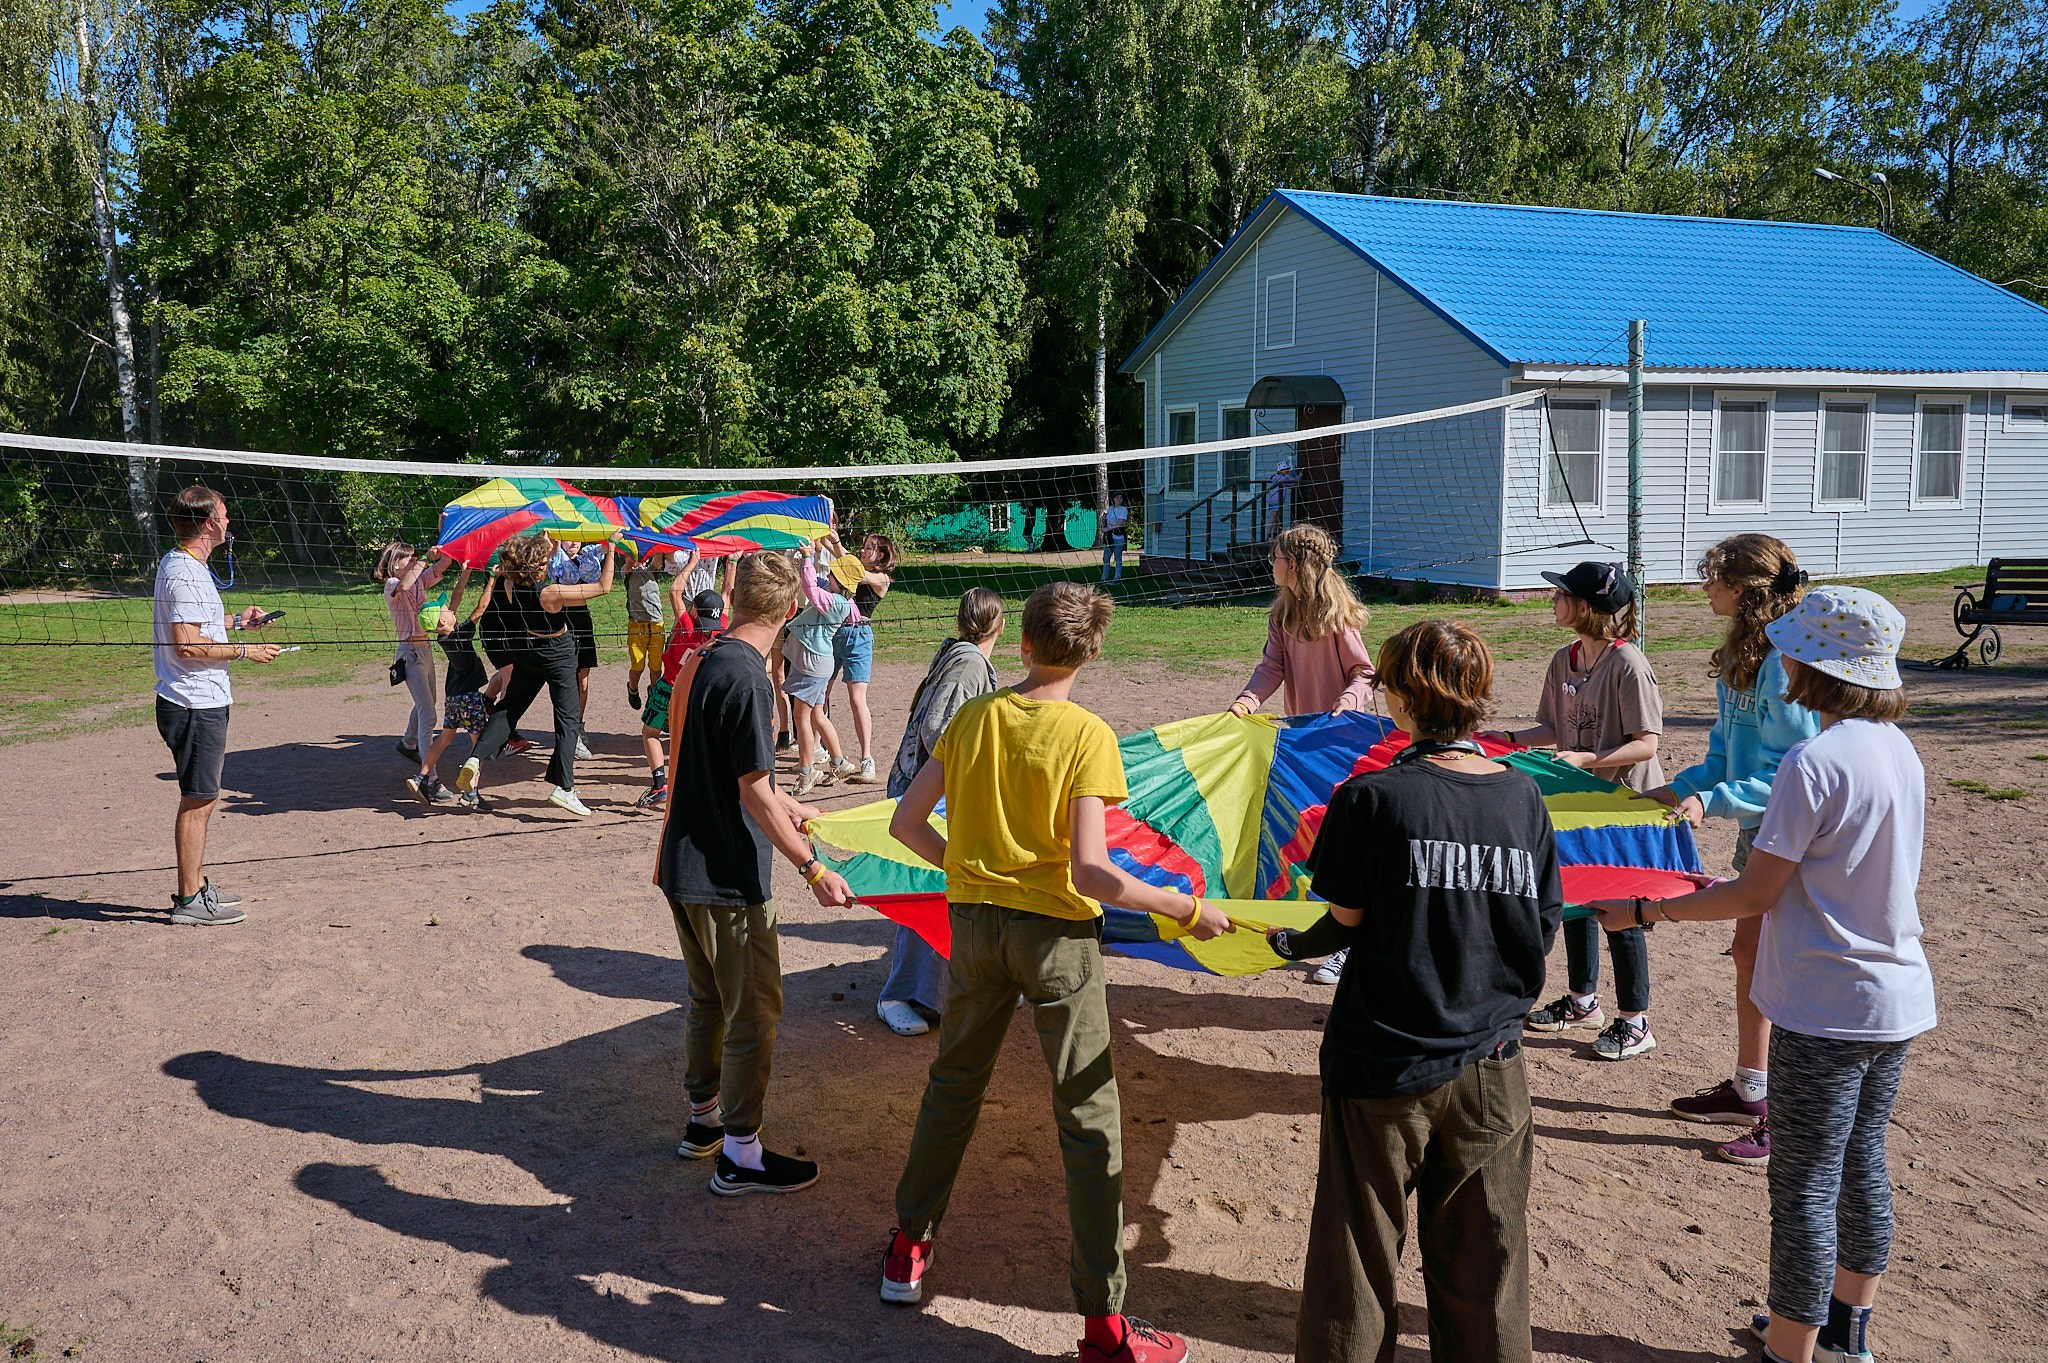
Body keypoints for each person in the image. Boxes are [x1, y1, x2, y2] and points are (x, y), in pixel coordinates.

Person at [879, 581, 1233, 1363]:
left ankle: (908, 1247)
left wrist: (967, 873)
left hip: (973, 930)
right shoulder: (1087, 733)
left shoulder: (974, 717)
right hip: (1058, 940)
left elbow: (907, 821)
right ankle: (1104, 1327)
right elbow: (1094, 872)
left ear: (1026, 643)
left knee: (952, 1084)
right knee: (1088, 1116)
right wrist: (1184, 908)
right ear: (1091, 651)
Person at [1592, 587, 1930, 1363]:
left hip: (1825, 1003)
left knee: (1804, 1185)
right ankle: (1847, 1334)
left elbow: (1754, 892)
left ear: (1812, 663)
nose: (1778, 659)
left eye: (1789, 647)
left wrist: (1647, 913)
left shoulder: (1814, 762)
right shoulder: (1898, 748)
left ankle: (1790, 1348)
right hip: (1895, 1000)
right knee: (1860, 1165)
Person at [1267, 619, 1562, 1363]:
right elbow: (1543, 919)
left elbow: (1342, 922)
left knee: (1356, 1261)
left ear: (1402, 698)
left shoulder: (1372, 797)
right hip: (1494, 1065)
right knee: (1488, 1265)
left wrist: (1284, 943)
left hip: (1381, 1065)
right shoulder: (1523, 798)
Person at [653, 552, 853, 1195]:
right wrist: (812, 865)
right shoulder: (747, 678)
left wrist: (786, 802)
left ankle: (703, 1122)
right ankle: (741, 1154)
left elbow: (718, 769)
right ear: (791, 611)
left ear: (734, 598)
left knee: (710, 1001)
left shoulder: (704, 659)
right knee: (755, 1012)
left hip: (683, 864)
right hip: (724, 874)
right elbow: (754, 795)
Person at [1639, 533, 1819, 1166]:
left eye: (1713, 578)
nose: (1704, 588)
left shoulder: (1785, 663)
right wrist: (1676, 789)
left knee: (1782, 971)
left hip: (1796, 835)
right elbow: (1723, 755)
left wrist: (1709, 803)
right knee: (1748, 953)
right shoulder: (1742, 657)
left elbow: (1788, 774)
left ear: (1745, 589)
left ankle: (1786, 1118)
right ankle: (1750, 1089)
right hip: (1757, 830)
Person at [1493, 561, 1665, 1062]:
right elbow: (1551, 729)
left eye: (1562, 594)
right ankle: (1583, 999)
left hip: (1625, 807)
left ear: (1586, 608)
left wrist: (1588, 758)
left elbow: (1647, 745)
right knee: (1575, 897)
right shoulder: (1562, 659)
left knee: (1620, 912)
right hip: (1576, 802)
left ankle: (1636, 1022)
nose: (1553, 600)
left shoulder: (1628, 663)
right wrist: (1503, 740)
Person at [1230, 522, 1376, 986]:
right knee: (1311, 837)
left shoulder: (1337, 616)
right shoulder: (1283, 614)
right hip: (1303, 744)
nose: (1269, 563)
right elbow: (1271, 667)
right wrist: (1246, 701)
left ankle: (1345, 946)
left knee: (1345, 846)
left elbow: (1365, 673)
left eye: (1275, 557)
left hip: (1341, 743)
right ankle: (1320, 930)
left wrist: (1347, 702)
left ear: (1292, 565)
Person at [874, 587, 1005, 1036]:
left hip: (938, 795)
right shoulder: (968, 662)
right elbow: (937, 731)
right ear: (1000, 626)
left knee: (955, 891)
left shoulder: (963, 655)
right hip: (930, 799)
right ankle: (899, 995)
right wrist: (963, 781)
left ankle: (943, 991)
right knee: (931, 889)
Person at [152, 485, 280, 925]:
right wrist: (246, 652)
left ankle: (197, 885)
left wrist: (237, 623)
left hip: (200, 699)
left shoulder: (187, 566)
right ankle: (188, 900)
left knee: (203, 798)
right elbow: (186, 644)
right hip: (192, 702)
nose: (229, 522)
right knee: (199, 800)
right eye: (224, 515)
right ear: (208, 524)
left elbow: (196, 624)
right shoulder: (184, 573)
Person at [461, 531, 616, 816]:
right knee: (567, 720)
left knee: (509, 709)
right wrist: (613, 546)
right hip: (557, 655)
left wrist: (543, 541)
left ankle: (474, 759)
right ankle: (564, 788)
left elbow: (530, 559)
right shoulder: (550, 593)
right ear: (539, 565)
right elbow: (604, 586)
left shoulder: (508, 583)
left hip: (528, 651)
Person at [408, 562, 513, 811]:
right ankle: (471, 793)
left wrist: (465, 572)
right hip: (468, 698)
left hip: (453, 697)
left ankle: (421, 777)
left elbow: (455, 598)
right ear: (444, 619)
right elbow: (481, 608)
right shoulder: (461, 633)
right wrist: (492, 579)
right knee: (478, 746)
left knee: (445, 738)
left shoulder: (445, 634)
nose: (451, 608)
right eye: (446, 609)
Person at [636, 590, 727, 810]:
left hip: (668, 689)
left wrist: (691, 562)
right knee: (687, 739)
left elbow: (675, 590)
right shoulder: (720, 630)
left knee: (650, 733)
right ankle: (699, 786)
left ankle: (660, 784)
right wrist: (731, 561)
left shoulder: (687, 626)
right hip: (694, 692)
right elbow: (726, 593)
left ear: (694, 610)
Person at [785, 538, 864, 796]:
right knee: (817, 716)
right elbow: (812, 582)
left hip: (812, 664)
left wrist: (808, 557)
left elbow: (810, 588)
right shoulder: (839, 598)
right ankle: (839, 762)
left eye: (832, 574)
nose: (827, 575)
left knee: (802, 718)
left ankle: (807, 773)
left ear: (841, 583)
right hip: (817, 664)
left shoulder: (834, 602)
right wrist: (801, 563)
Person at [375, 541, 450, 767]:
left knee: (429, 703)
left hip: (425, 648)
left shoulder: (417, 579)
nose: (415, 559)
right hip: (410, 653)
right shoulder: (392, 584)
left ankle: (408, 743)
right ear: (396, 564)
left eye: (416, 556)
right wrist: (427, 557)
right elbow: (404, 587)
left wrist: (446, 538)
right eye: (410, 557)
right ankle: (430, 776)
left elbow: (444, 563)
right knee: (428, 713)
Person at [828, 533, 895, 783]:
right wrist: (828, 537)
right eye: (863, 546)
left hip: (859, 636)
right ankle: (820, 751)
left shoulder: (881, 579)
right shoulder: (853, 565)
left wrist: (834, 544)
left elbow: (854, 570)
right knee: (818, 694)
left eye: (870, 548)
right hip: (833, 631)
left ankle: (867, 758)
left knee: (857, 699)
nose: (864, 551)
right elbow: (845, 560)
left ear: (881, 554)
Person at [549, 538, 606, 760]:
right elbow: (549, 548)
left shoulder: (588, 555)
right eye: (567, 537)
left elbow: (608, 543)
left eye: (577, 537)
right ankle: (567, 733)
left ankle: (577, 727)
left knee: (582, 679)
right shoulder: (555, 557)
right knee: (564, 680)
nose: (573, 542)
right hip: (561, 620)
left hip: (582, 621)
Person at [623, 546, 673, 713]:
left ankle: (653, 693)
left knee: (656, 666)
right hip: (636, 625)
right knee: (637, 666)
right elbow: (629, 562)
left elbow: (658, 558)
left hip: (656, 624)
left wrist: (655, 543)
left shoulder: (652, 568)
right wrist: (633, 554)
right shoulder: (628, 572)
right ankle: (633, 688)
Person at [1099, 493, 1129, 583]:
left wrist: (1108, 528)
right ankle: (1104, 578)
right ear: (1114, 499)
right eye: (1117, 498)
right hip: (1109, 536)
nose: (1119, 499)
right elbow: (1106, 521)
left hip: (1118, 536)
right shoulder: (1110, 509)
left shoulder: (1123, 510)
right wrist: (1103, 522)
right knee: (1106, 558)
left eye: (1121, 498)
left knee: (1118, 558)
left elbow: (1120, 524)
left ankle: (1117, 578)